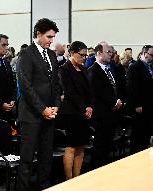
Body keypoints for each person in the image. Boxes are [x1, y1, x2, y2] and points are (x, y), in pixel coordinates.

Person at [17, 18, 61, 190]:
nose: (51, 41)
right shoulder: (27, 54)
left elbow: (56, 84)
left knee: (46, 156)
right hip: (31, 115)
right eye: (49, 37)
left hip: (49, 114)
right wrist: (42, 109)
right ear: (38, 34)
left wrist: (56, 105)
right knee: (27, 158)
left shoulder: (50, 54)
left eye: (53, 37)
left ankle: (44, 186)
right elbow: (26, 85)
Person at [58, 41, 92, 179]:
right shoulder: (64, 69)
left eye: (85, 55)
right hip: (71, 112)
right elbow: (70, 92)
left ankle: (77, 176)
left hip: (84, 113)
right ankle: (69, 179)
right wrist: (84, 108)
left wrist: (90, 106)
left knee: (81, 146)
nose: (84, 58)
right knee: (71, 146)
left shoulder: (84, 69)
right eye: (81, 55)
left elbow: (90, 91)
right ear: (72, 53)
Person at [88, 42, 123, 168]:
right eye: (108, 52)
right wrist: (114, 102)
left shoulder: (110, 69)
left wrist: (117, 101)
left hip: (111, 114)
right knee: (100, 149)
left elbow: (114, 89)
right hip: (101, 116)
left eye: (111, 52)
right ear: (99, 53)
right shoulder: (93, 71)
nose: (111, 54)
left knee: (107, 147)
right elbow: (96, 94)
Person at [126, 45, 153, 153]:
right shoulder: (134, 67)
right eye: (152, 55)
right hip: (140, 108)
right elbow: (132, 88)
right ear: (144, 54)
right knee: (138, 137)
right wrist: (137, 105)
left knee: (146, 135)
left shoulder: (151, 68)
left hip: (150, 107)